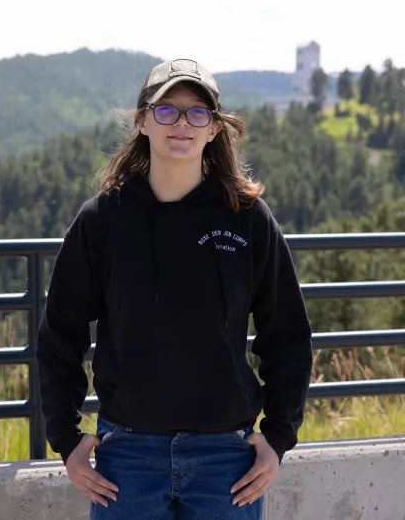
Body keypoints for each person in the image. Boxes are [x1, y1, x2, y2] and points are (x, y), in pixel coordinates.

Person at [36, 58, 313, 519]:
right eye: (166, 111)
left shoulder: (248, 219)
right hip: (126, 458)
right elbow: (59, 336)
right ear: (142, 121)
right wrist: (66, 439)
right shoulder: (101, 220)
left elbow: (286, 333)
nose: (181, 124)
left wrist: (279, 436)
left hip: (228, 459)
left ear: (214, 130)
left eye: (197, 113)